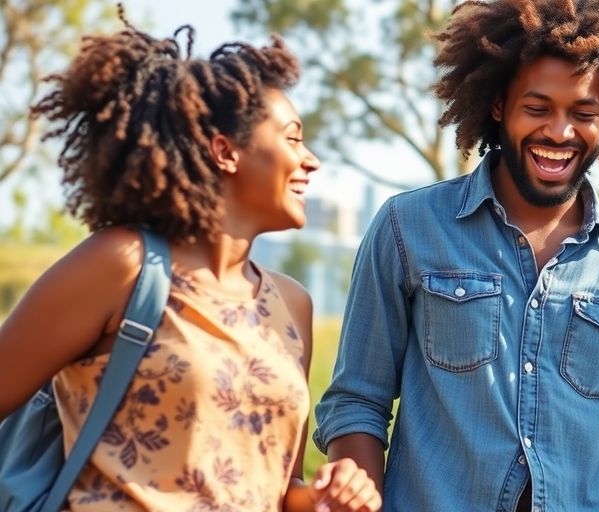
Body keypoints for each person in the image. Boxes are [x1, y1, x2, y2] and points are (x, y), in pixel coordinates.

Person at [0, 13, 380, 512]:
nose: (310, 160)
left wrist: (325, 495)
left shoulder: (292, 305)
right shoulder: (123, 265)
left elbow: (279, 487)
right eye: (291, 138)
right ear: (225, 151)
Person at [313, 0, 599, 510]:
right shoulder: (408, 227)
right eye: (537, 108)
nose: (559, 132)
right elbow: (358, 401)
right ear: (497, 107)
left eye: (583, 114)